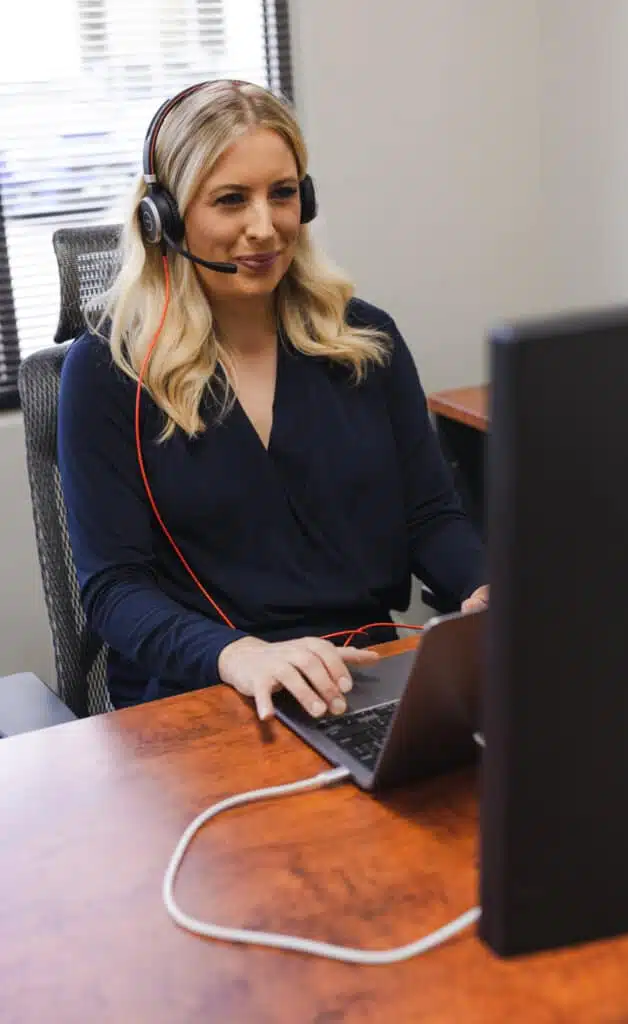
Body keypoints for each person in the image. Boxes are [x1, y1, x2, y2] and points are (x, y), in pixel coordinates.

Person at [58, 79, 488, 721]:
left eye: (282, 194)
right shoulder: (108, 369)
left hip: (361, 677)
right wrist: (239, 655)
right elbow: (114, 589)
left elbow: (430, 515)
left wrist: (484, 584)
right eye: (231, 200)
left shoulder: (363, 340)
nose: (264, 228)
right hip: (204, 692)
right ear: (164, 219)